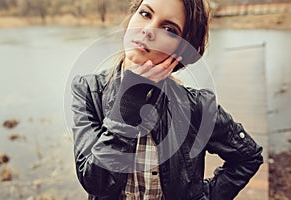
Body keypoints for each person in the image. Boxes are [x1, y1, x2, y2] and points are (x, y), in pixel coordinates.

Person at [71, 0, 264, 199]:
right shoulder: (89, 91)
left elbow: (248, 157)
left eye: (169, 29)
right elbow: (95, 183)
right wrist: (129, 102)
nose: (148, 30)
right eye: (145, 14)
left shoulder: (196, 106)